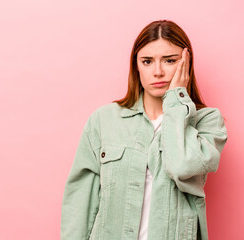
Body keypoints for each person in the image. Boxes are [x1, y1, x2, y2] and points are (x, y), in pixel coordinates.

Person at [60, 19, 228, 240]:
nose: (158, 72)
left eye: (169, 60)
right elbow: (80, 202)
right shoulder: (104, 120)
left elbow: (182, 166)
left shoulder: (208, 122)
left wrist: (176, 102)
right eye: (147, 61)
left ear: (186, 63)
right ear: (136, 65)